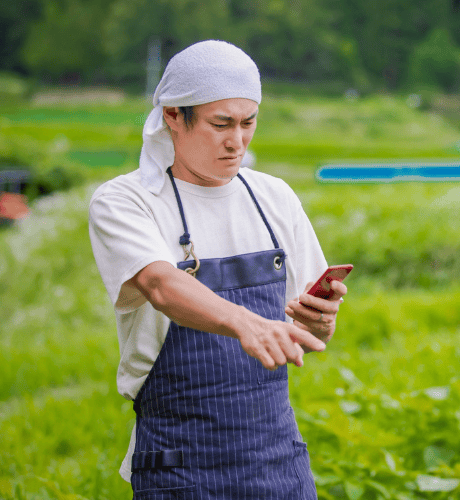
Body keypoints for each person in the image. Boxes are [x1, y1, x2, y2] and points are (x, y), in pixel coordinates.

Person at [88, 40, 346, 499]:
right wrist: (246, 323)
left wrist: (318, 322)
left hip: (279, 464)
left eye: (248, 123)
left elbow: (310, 335)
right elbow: (161, 284)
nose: (237, 141)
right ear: (172, 116)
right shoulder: (126, 201)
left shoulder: (274, 198)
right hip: (180, 469)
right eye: (220, 124)